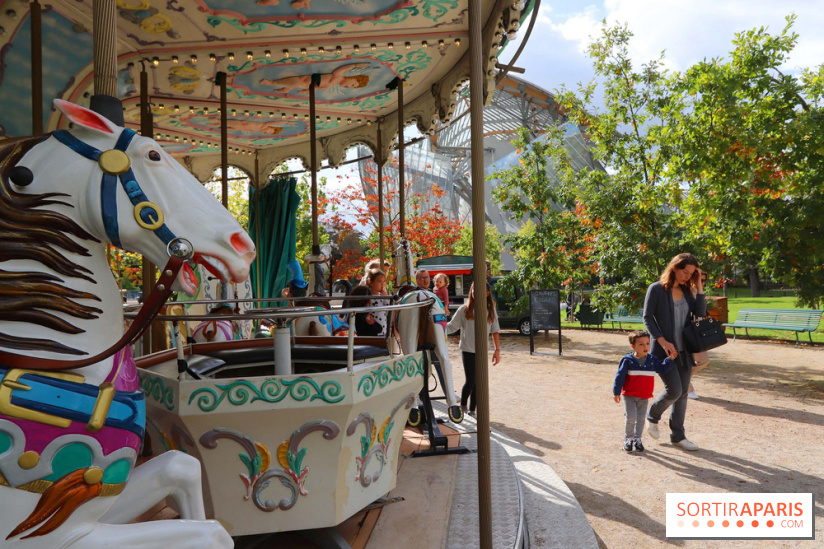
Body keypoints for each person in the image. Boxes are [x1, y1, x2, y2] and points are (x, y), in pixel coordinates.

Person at [643, 253, 707, 451]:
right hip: (664, 352)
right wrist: (662, 341)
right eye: (685, 272)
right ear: (674, 268)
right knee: (675, 390)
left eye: (691, 274)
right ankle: (652, 415)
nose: (687, 276)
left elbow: (700, 314)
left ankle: (678, 436)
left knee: (683, 394)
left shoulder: (688, 292)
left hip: (685, 350)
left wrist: (699, 287)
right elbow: (647, 317)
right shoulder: (656, 289)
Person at [613, 331, 674, 452]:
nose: (645, 347)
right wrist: (616, 392)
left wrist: (670, 359)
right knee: (631, 417)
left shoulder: (652, 360)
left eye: (647, 343)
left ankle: (637, 439)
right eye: (641, 344)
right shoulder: (627, 360)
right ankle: (628, 439)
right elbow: (620, 376)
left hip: (644, 396)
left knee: (641, 418)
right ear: (633, 346)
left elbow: (662, 369)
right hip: (629, 395)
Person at [446, 282, 501, 418]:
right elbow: (451, 327)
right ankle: (463, 405)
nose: (476, 292)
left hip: (481, 351)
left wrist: (497, 350)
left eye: (480, 290)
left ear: (487, 293)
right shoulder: (465, 309)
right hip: (468, 350)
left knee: (478, 382)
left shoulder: (490, 310)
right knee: (471, 380)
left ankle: (472, 409)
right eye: (473, 290)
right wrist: (437, 327)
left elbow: (495, 331)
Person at [688, 271, 711, 399]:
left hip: (698, 331)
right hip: (687, 331)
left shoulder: (698, 293)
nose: (701, 283)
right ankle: (687, 388)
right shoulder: (685, 293)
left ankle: (683, 380)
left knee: (703, 360)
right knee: (690, 361)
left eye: (703, 280)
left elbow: (701, 313)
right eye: (698, 280)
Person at [365, 268, 389, 337]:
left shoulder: (382, 296)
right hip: (373, 332)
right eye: (379, 281)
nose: (382, 284)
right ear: (371, 282)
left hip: (384, 331)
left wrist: (386, 298)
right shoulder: (367, 297)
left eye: (383, 282)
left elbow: (389, 311)